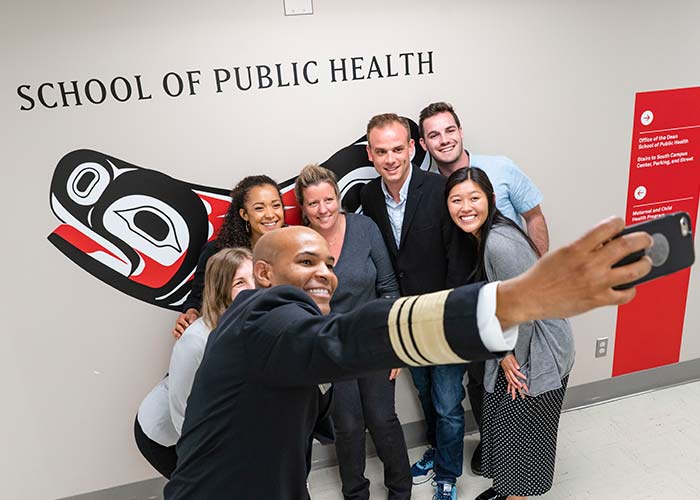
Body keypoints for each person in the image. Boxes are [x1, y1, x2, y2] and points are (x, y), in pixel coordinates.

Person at [164, 222, 652, 500]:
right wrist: (512, 300)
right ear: (265, 274)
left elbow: (305, 400)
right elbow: (347, 337)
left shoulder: (272, 331)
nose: (325, 275)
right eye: (307, 262)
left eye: (328, 264)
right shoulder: (261, 313)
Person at [446, 167, 574, 500]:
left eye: (474, 198)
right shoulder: (485, 235)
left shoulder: (498, 245)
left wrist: (507, 357)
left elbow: (527, 310)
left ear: (489, 199)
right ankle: (506, 488)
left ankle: (515, 493)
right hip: (521, 338)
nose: (466, 207)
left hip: (539, 347)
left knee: (522, 434)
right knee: (505, 428)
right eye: (456, 200)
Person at [359, 113, 470, 497]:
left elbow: (458, 258)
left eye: (397, 149)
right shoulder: (369, 196)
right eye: (381, 151)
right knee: (425, 395)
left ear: (411, 148)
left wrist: (453, 317)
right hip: (405, 322)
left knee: (448, 403)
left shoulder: (439, 189)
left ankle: (447, 475)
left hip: (443, 318)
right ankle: (439, 452)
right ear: (370, 154)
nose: (390, 159)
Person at [294, 164, 411, 500]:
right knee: (347, 426)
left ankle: (401, 492)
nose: (323, 209)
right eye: (313, 203)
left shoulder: (364, 227)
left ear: (338, 197)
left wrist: (395, 343)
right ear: (304, 207)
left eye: (328, 199)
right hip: (333, 348)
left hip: (375, 341)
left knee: (382, 418)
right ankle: (355, 494)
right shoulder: (300, 244)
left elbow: (388, 287)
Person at [135, 247, 254, 478]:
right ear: (222, 290)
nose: (253, 289)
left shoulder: (250, 325)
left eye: (255, 278)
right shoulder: (196, 340)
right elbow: (183, 412)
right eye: (240, 282)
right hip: (164, 435)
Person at [418, 101, 549, 255]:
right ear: (423, 144)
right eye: (434, 135)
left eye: (450, 131)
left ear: (460, 132)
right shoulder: (427, 189)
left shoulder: (501, 168)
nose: (444, 140)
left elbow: (534, 217)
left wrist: (536, 268)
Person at [172, 175, 284, 338]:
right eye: (259, 208)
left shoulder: (295, 248)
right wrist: (191, 314)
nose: (270, 214)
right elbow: (197, 298)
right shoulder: (217, 251)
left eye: (276, 205)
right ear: (244, 214)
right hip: (231, 337)